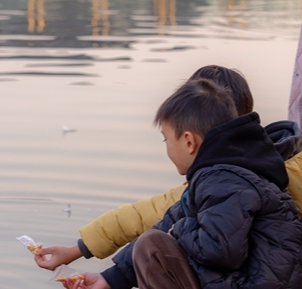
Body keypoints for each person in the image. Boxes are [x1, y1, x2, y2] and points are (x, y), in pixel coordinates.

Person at [60, 78, 302, 289]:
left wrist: (183, 231)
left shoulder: (221, 180)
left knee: (152, 247)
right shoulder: (228, 171)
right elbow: (167, 223)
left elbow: (219, 250)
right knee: (158, 239)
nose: (167, 149)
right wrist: (109, 278)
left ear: (188, 141)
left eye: (166, 139)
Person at [34, 65, 302, 272]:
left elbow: (147, 215)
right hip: (279, 280)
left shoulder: (226, 181)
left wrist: (78, 250)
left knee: (173, 239)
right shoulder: (279, 157)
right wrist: (78, 250)